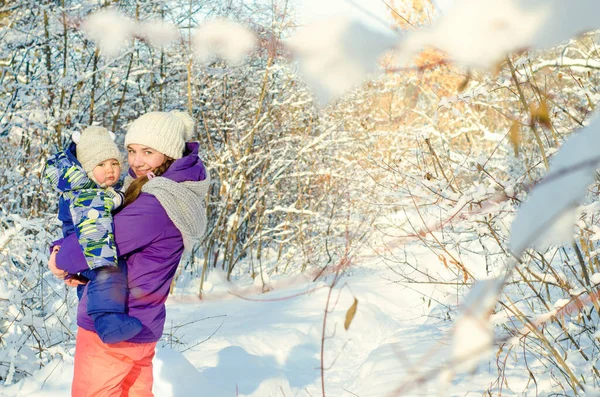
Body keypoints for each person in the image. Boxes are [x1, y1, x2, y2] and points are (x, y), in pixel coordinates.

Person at [48, 111, 210, 397]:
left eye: (148, 152)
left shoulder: (156, 204)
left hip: (113, 328)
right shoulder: (171, 194)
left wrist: (59, 258)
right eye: (132, 151)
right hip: (143, 325)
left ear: (169, 154)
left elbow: (93, 242)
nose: (136, 161)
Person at [44, 126, 143, 344]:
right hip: (86, 250)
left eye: (114, 163)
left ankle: (105, 319)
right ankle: (106, 322)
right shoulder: (87, 194)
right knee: (108, 273)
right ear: (88, 169)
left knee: (100, 282)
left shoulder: (101, 189)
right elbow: (112, 204)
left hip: (84, 249)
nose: (110, 170)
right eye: (101, 164)